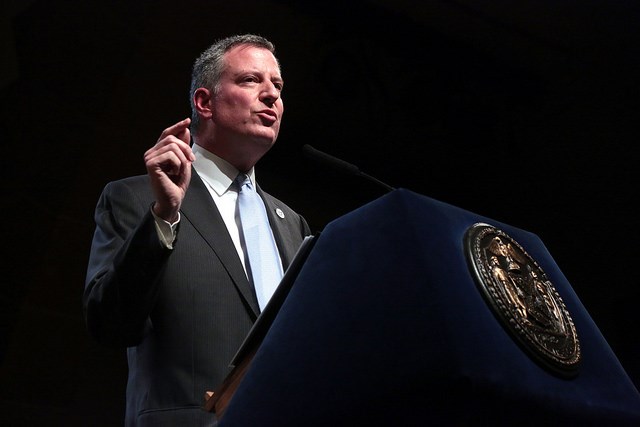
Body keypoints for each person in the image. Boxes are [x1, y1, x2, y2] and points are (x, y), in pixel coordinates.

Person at [83, 34, 311, 426]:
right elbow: (110, 324)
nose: (271, 96)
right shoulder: (137, 199)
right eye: (250, 81)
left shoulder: (293, 224)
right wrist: (163, 216)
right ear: (204, 102)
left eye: (278, 86)